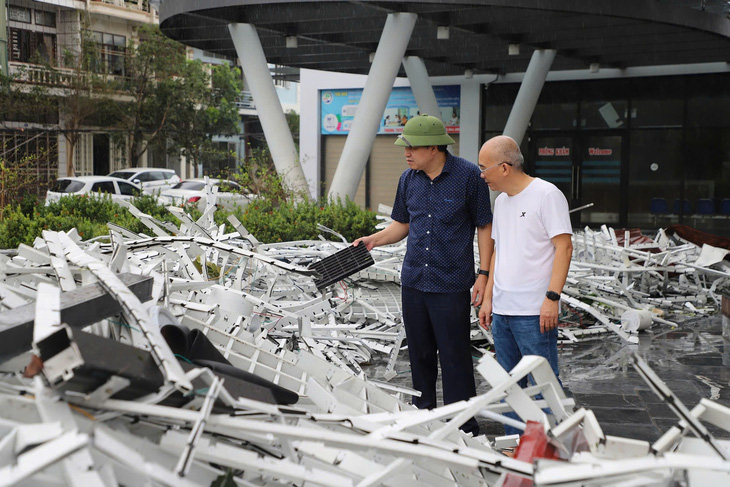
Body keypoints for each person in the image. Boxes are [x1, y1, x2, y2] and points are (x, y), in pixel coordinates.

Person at [354, 114, 493, 436]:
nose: (406, 153)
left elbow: (485, 225)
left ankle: (463, 425)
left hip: (451, 282)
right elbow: (403, 224)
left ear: (434, 148)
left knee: (455, 355)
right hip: (414, 281)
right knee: (420, 355)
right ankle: (424, 416)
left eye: (412, 147)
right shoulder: (408, 179)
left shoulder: (469, 177)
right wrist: (373, 240)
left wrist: (484, 274)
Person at [477, 135, 573, 435]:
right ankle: (514, 448)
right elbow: (498, 253)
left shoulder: (547, 195)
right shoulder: (503, 202)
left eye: (484, 167)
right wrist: (489, 299)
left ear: (504, 168)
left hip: (534, 311)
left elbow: (564, 248)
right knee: (509, 385)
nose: (482, 175)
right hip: (503, 312)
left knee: (542, 384)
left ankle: (545, 449)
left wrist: (552, 298)